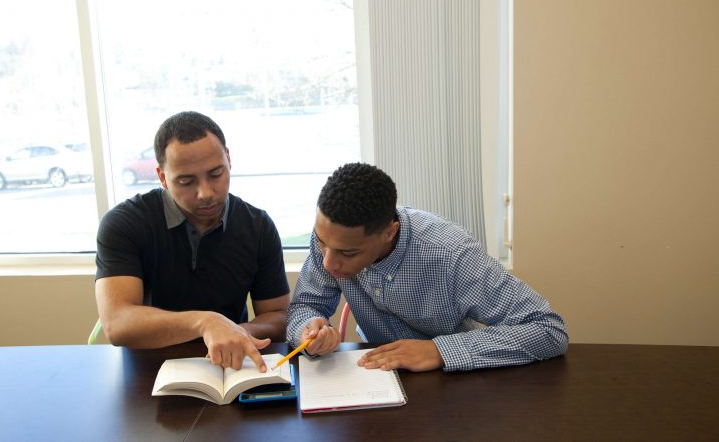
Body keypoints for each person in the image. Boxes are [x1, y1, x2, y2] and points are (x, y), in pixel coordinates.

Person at [286, 162, 568, 372]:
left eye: (348, 252)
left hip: (453, 385)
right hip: (377, 376)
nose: (328, 262)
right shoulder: (331, 238)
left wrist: (440, 350)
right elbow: (305, 307)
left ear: (388, 232)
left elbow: (548, 329)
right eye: (322, 243)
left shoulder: (450, 254)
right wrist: (307, 330)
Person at [95, 111, 289, 372]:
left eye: (216, 174)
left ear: (229, 160)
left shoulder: (258, 225)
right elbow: (117, 324)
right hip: (149, 371)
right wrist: (205, 323)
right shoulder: (125, 223)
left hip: (230, 369)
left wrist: (238, 332)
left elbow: (279, 314)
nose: (205, 193)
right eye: (186, 181)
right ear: (162, 177)